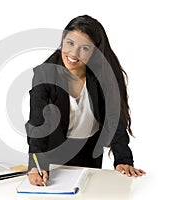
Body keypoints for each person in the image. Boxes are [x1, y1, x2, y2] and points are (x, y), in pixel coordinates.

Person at [25, 15, 146, 186]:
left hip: (90, 151)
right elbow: (38, 122)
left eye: (84, 48)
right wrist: (35, 164)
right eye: (70, 43)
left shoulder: (105, 74)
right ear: (62, 41)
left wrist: (123, 159)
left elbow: (114, 119)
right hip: (54, 153)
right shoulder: (44, 74)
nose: (73, 53)